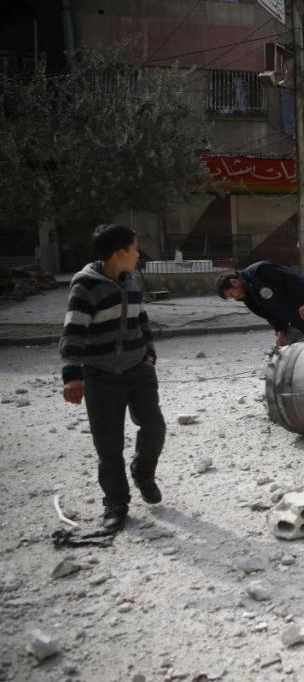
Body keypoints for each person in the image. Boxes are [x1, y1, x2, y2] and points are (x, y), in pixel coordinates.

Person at [60, 224, 166, 531]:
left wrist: (149, 354)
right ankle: (116, 503)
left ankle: (143, 474)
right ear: (120, 253)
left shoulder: (131, 282)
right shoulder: (86, 287)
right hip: (101, 375)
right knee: (108, 446)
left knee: (154, 426)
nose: (138, 255)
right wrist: (72, 376)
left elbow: (141, 318)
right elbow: (73, 333)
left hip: (138, 370)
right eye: (135, 249)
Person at [216, 261, 304, 346]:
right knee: (286, 351)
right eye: (231, 298)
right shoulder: (248, 298)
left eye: (232, 294)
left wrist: (302, 303)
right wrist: (280, 331)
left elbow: (291, 280)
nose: (235, 297)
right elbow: (269, 315)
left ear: (234, 282)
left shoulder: (259, 272)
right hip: (293, 320)